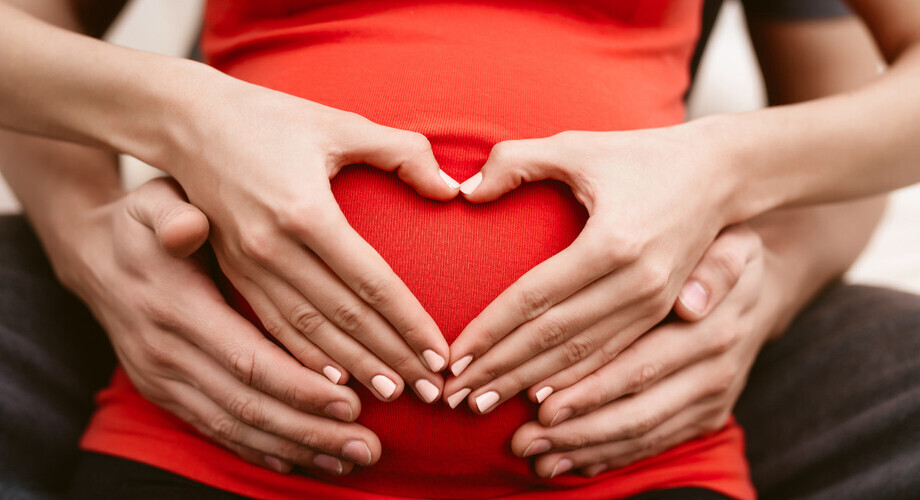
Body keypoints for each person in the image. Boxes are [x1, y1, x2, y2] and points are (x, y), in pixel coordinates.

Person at [0, 0, 918, 498]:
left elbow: (861, 116)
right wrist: (166, 129)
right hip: (206, 436)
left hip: (629, 454)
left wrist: (730, 176)